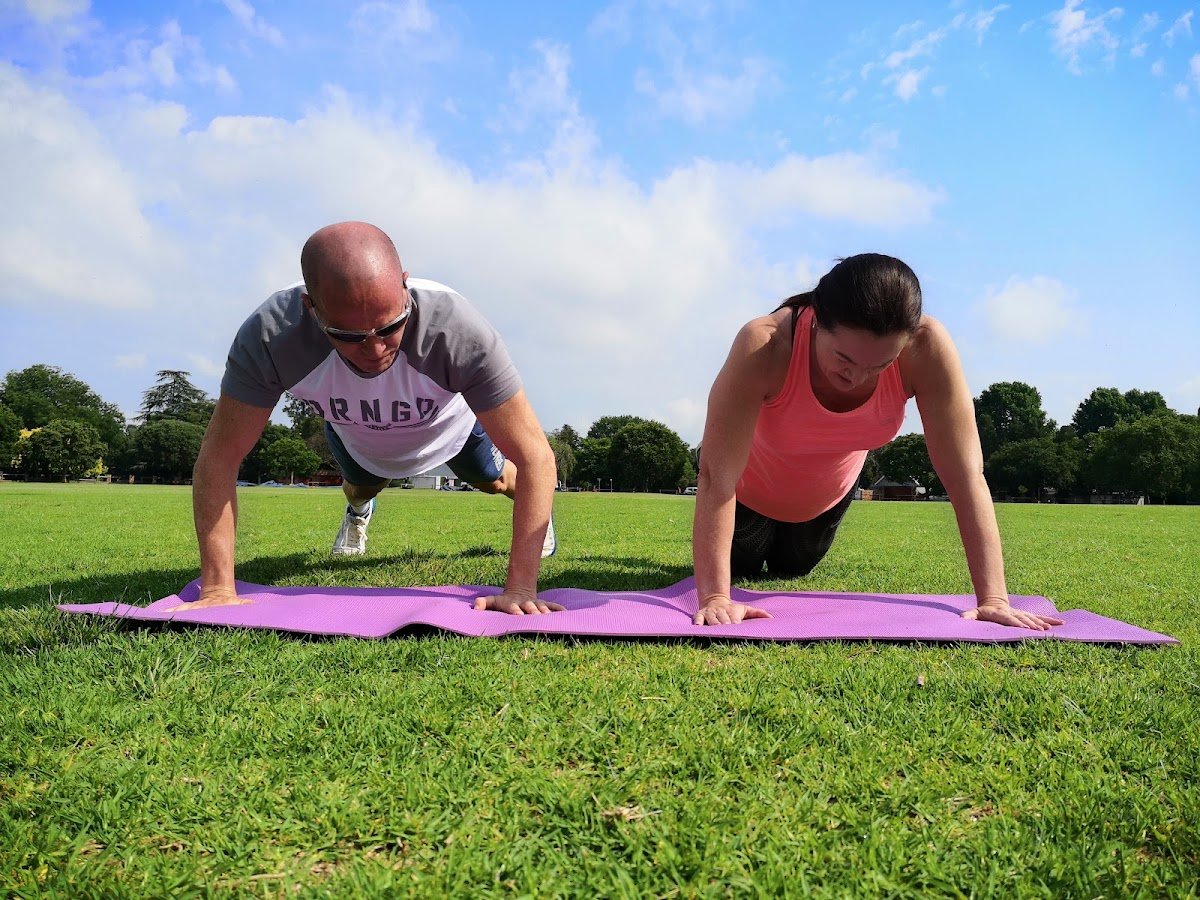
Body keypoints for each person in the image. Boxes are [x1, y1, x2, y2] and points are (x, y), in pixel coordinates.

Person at [179, 221, 562, 616]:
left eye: (390, 326)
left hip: (450, 430)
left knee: (497, 480)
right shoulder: (270, 336)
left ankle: (539, 510)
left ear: (404, 286)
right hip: (357, 437)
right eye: (348, 334)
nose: (375, 348)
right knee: (359, 490)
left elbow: (536, 455)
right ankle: (359, 512)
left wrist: (520, 588)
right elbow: (220, 456)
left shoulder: (456, 329)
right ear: (312, 308)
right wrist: (217, 588)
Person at [691, 253, 1063, 631]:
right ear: (817, 320)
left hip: (825, 500)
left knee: (794, 566)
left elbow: (966, 476)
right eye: (845, 358)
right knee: (745, 564)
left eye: (880, 365)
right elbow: (715, 475)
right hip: (748, 495)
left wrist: (993, 600)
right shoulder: (765, 344)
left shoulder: (926, 348)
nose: (857, 376)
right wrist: (716, 597)